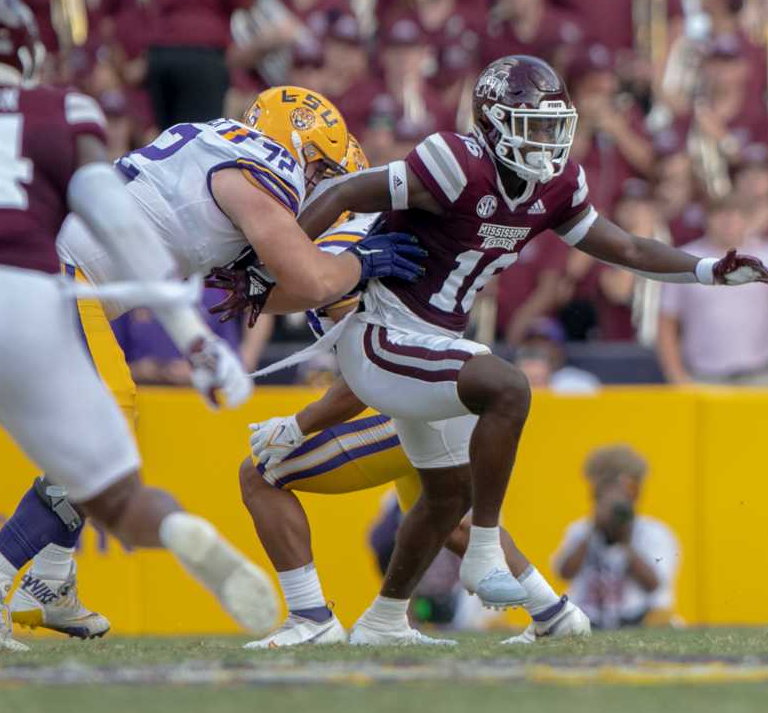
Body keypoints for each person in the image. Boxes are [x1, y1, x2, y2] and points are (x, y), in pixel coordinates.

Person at [293, 55, 768, 644]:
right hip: (380, 334)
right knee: (509, 385)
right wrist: (279, 261)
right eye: (532, 125)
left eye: (553, 125)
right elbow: (345, 187)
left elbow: (623, 246)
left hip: (432, 343)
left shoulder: (558, 184)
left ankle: (388, 621)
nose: (547, 140)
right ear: (493, 123)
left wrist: (707, 269)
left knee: (445, 498)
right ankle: (485, 552)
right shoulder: (455, 163)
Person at [0, 85, 427, 643]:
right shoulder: (268, 166)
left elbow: (242, 289)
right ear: (299, 148)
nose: (319, 188)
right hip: (55, 275)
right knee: (107, 430)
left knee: (98, 435)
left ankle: (49, 582)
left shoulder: (214, 144)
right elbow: (310, 279)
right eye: (322, 170)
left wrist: (329, 269)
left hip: (52, 272)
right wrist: (359, 262)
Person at [0, 0, 273, 651]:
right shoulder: (60, 110)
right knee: (119, 495)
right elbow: (118, 224)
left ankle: (35, 577)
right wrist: (196, 338)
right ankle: (170, 530)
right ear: (21, 52)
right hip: (32, 305)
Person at [232, 159, 588, 648]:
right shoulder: (352, 228)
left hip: (413, 390)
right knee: (446, 514)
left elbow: (375, 369)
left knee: (260, 473)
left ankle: (311, 617)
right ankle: (551, 610)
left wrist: (299, 424)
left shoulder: (343, 242)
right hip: (433, 385)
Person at [656, 193, 768, 385]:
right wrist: (677, 378)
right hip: (704, 378)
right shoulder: (685, 260)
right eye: (720, 214)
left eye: (735, 214)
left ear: (747, 219)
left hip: (763, 377)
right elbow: (666, 323)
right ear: (707, 219)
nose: (728, 221)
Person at [551, 445, 680, 629]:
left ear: (635, 493)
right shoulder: (581, 529)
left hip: (641, 621)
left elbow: (653, 584)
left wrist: (624, 540)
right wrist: (594, 528)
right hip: (586, 620)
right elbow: (564, 573)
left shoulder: (654, 532)